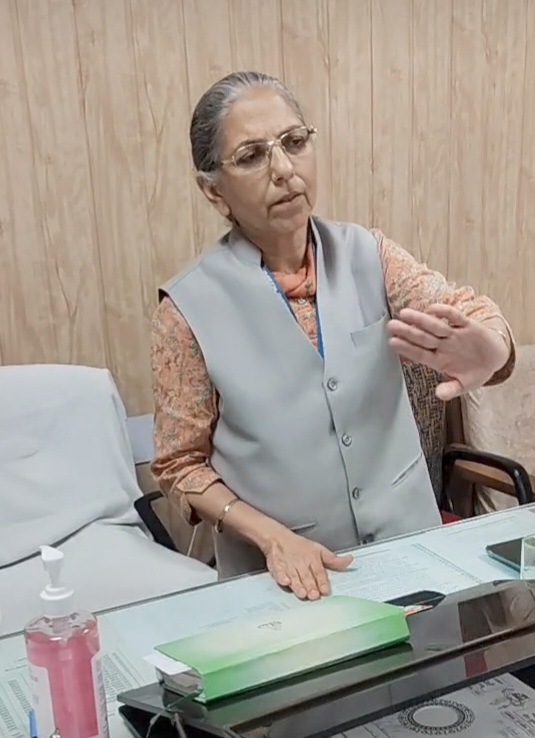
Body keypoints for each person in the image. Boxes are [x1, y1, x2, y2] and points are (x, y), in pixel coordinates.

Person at [151, 71, 515, 601]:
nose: (284, 169)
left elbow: (466, 310)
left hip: (411, 555)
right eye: (252, 156)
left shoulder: (370, 254)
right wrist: (270, 536)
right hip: (287, 585)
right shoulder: (187, 310)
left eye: (294, 142)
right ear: (213, 191)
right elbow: (179, 464)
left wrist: (493, 344)